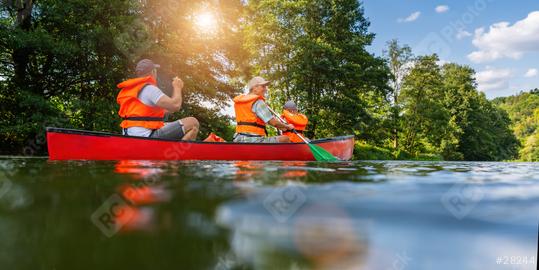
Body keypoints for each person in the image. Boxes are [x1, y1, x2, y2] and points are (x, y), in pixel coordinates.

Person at [116, 59, 199, 140]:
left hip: (129, 134)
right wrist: (177, 87)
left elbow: (167, 109)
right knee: (193, 122)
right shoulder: (149, 89)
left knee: (179, 127)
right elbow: (175, 105)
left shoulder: (133, 89)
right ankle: (179, 153)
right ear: (153, 72)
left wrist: (170, 108)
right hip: (145, 136)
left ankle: (173, 150)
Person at [233, 76, 294, 143]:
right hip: (254, 140)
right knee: (285, 139)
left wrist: (282, 127)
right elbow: (273, 122)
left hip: (238, 140)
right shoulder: (258, 102)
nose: (266, 89)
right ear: (254, 88)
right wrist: (287, 127)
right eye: (263, 86)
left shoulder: (239, 102)